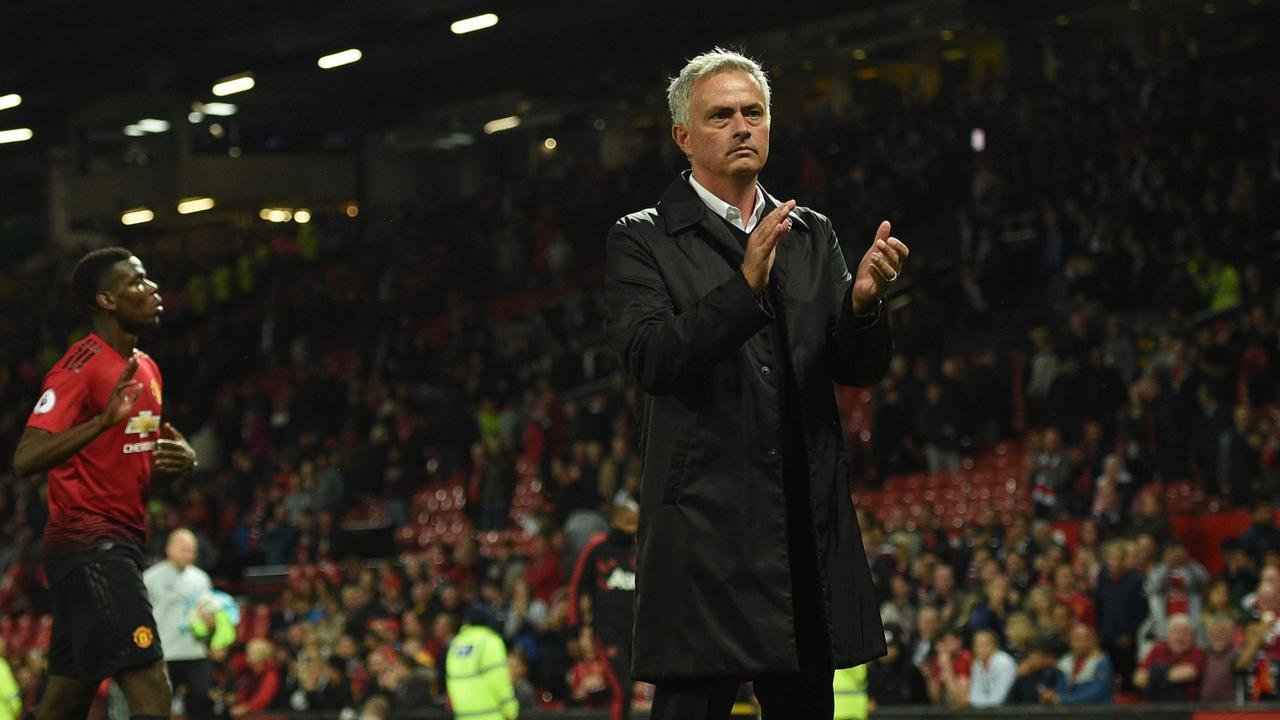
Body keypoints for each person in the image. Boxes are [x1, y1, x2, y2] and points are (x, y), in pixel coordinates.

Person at [604, 47, 906, 720]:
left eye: (754, 112)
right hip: (700, 539)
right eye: (721, 116)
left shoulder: (810, 232)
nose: (742, 126)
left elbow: (856, 370)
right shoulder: (642, 241)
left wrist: (863, 306)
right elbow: (652, 359)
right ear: (684, 136)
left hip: (797, 527)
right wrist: (743, 288)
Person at [12, 247, 196, 720]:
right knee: (151, 680)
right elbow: (25, 458)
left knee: (67, 699)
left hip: (122, 539)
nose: (152, 290)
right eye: (136, 282)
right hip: (89, 543)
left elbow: (132, 465)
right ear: (107, 300)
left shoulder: (148, 368)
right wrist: (99, 421)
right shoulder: (80, 367)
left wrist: (179, 463)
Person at [567, 499, 638, 720]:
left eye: (635, 522)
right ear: (615, 520)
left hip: (636, 632)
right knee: (622, 689)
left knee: (630, 691)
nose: (633, 527)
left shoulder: (641, 548)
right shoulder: (597, 548)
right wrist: (576, 627)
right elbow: (578, 586)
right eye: (628, 521)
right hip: (608, 632)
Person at [142, 529, 213, 720]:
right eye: (184, 549)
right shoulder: (150, 578)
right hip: (164, 653)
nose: (189, 555)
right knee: (158, 706)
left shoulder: (201, 579)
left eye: (192, 550)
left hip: (195, 651)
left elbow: (210, 612)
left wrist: (210, 622)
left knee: (201, 700)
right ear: (169, 549)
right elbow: (141, 616)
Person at [444, 606, 518, 720]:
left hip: (463, 716)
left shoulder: (456, 644)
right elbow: (499, 681)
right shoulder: (490, 642)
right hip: (491, 716)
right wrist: (511, 710)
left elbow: (451, 681)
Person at [967, 629, 1017, 707]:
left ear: (994, 646)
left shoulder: (1004, 663)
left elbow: (999, 698)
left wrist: (972, 701)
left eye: (984, 645)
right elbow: (975, 692)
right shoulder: (977, 664)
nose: (980, 649)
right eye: (977, 645)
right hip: (985, 710)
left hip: (1009, 709)